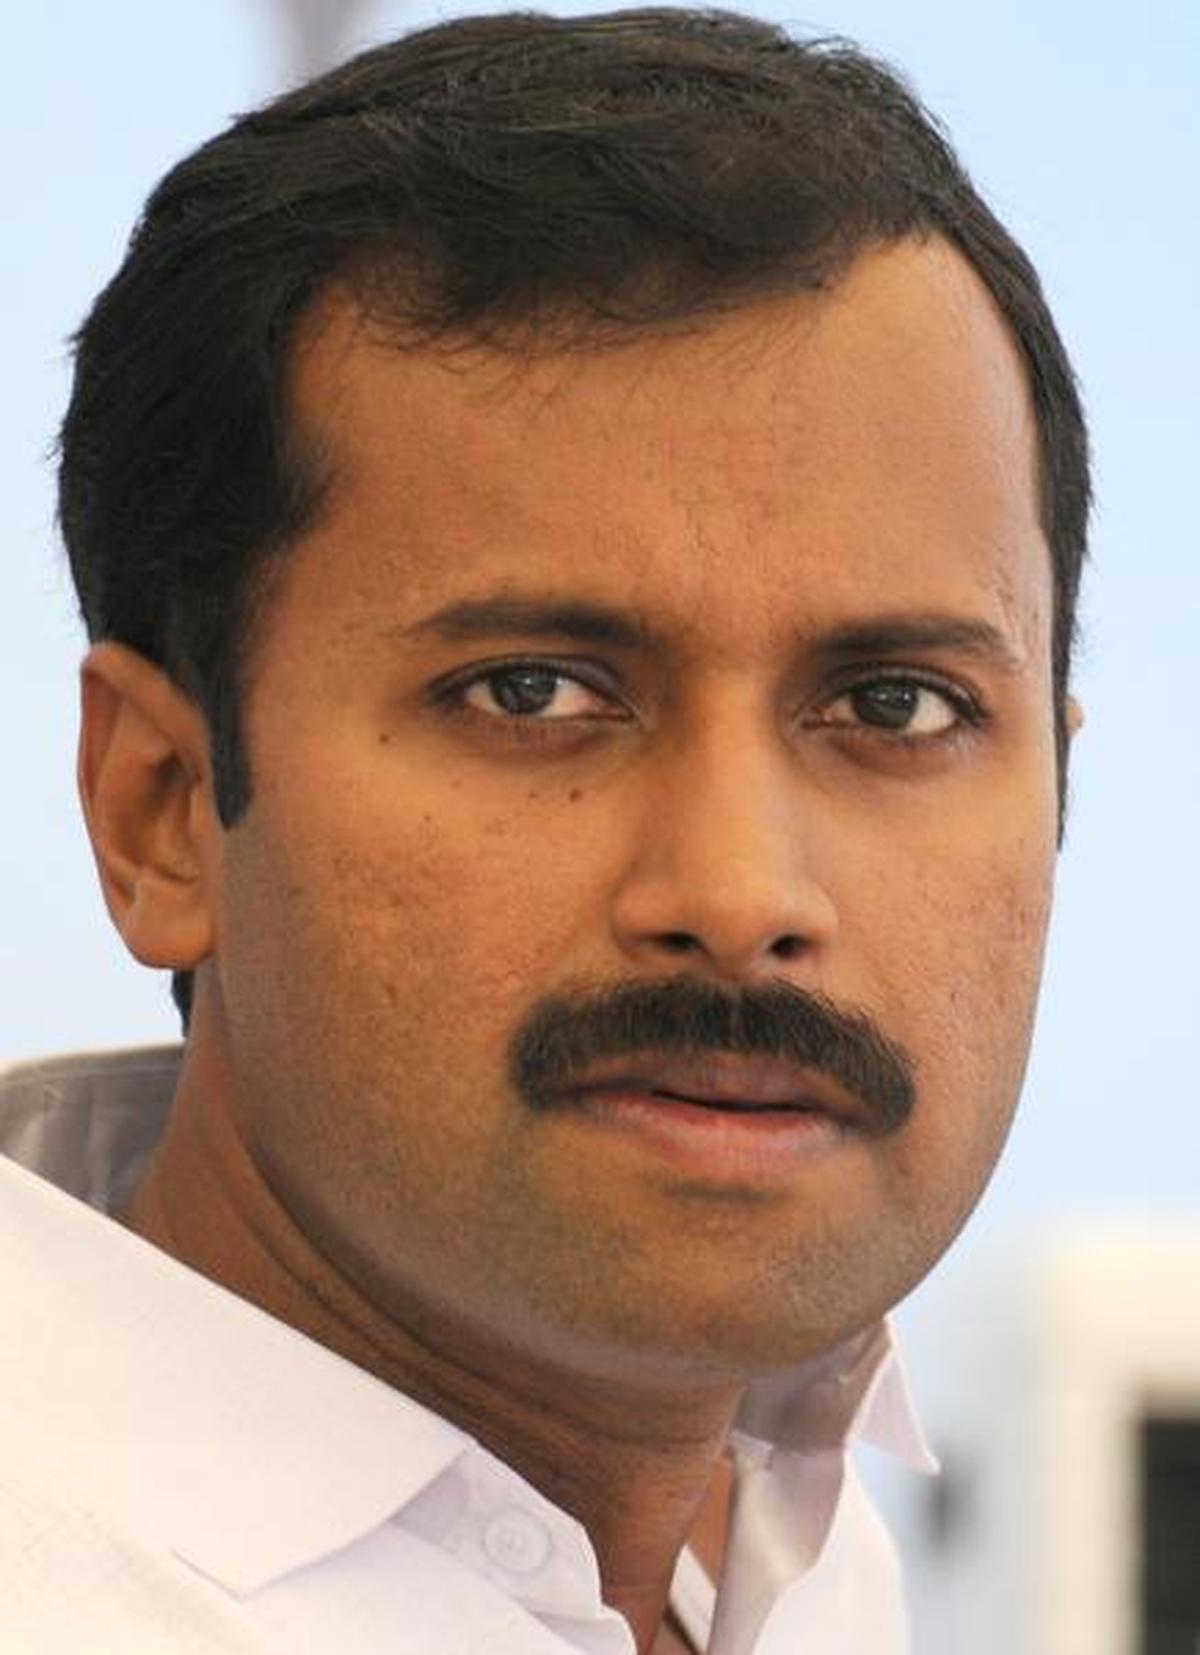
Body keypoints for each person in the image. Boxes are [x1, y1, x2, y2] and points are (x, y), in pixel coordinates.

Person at [0, 8, 1089, 1652]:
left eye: (894, 705)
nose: (741, 893)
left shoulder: (801, 1552)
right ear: (159, 810)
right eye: (533, 693)